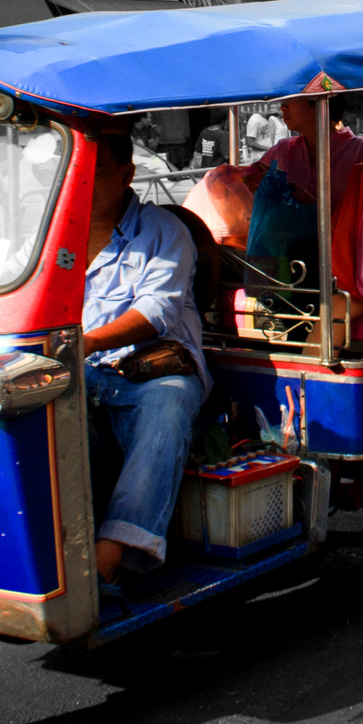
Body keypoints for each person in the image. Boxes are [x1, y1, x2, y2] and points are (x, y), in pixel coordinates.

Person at [83, 133, 210, 581]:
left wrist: (91, 341)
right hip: (81, 367)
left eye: (94, 173)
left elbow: (157, 309)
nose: (82, 183)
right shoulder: (56, 233)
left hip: (153, 370)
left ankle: (111, 557)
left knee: (169, 402)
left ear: (126, 175)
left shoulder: (163, 231)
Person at [259, 94, 363, 213]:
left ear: (318, 101)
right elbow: (253, 179)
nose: (282, 107)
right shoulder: (283, 149)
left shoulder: (360, 151)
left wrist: (313, 207)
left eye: (289, 100)